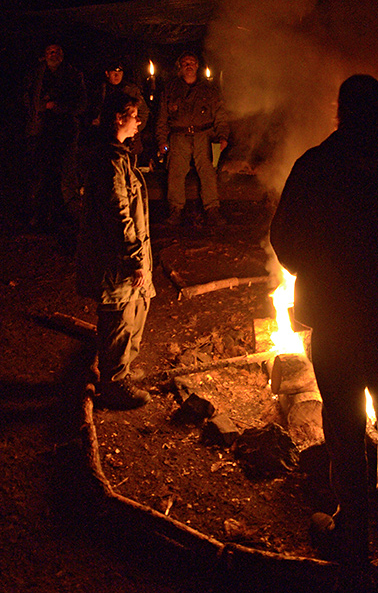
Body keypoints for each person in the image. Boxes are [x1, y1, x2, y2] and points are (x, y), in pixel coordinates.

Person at [270, 75, 378, 581]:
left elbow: (285, 240)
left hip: (337, 316)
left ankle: (352, 529)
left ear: (340, 111)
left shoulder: (316, 165)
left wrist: (319, 270)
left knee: (343, 421)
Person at [77, 91, 155, 409]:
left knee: (136, 309)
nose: (138, 121)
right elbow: (117, 211)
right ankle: (113, 384)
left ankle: (121, 372)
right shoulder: (109, 160)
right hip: (116, 258)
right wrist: (132, 255)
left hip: (128, 254)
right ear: (120, 117)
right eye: (134, 115)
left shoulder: (120, 155)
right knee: (119, 317)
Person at [156, 51, 229, 227]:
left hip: (204, 136)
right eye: (185, 62)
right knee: (175, 173)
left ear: (197, 66)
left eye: (192, 62)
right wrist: (162, 141)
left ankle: (212, 209)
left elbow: (220, 115)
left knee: (208, 172)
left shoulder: (209, 90)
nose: (189, 65)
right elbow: (162, 118)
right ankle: (175, 209)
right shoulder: (171, 89)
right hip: (179, 136)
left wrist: (223, 136)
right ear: (180, 67)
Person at [24, 42, 87, 229]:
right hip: (41, 131)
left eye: (57, 51)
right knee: (42, 174)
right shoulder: (37, 76)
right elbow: (28, 101)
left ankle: (67, 216)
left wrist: (60, 107)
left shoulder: (73, 75)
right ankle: (40, 215)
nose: (53, 54)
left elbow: (81, 104)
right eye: (50, 51)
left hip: (65, 131)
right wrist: (42, 108)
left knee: (66, 174)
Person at [88, 58, 149, 155]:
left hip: (129, 140)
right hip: (105, 136)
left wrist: (131, 128)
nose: (117, 75)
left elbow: (144, 112)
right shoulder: (99, 91)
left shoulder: (131, 91)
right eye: (114, 72)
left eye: (120, 72)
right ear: (107, 73)